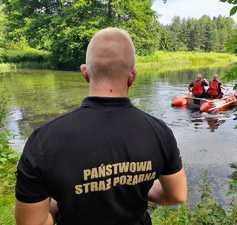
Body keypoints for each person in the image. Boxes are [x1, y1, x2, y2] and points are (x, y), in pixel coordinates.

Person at [15, 28, 187, 225]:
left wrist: (54, 207)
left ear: (85, 73)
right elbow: (177, 195)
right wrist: (136, 184)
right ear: (132, 76)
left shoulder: (43, 140)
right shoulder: (159, 132)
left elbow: (30, 223)